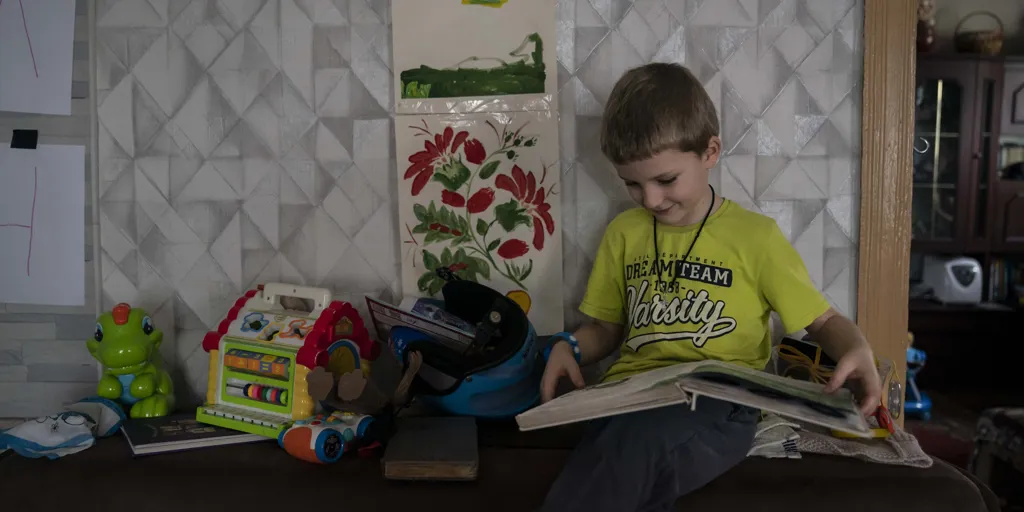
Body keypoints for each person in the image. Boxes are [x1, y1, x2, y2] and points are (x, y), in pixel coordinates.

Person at [537, 63, 882, 512]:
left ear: (710, 151)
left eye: (665, 180)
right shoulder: (624, 233)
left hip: (719, 401)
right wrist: (569, 346)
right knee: (622, 447)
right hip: (628, 396)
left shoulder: (755, 238)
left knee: (638, 448)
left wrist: (857, 347)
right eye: (632, 185)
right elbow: (605, 329)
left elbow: (823, 319)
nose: (652, 200)